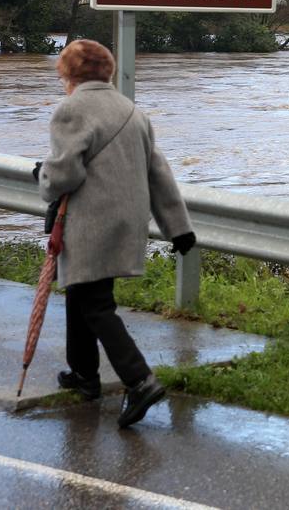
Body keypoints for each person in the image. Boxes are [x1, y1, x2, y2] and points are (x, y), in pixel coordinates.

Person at [35, 38, 196, 428]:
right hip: (127, 221)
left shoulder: (71, 110)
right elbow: (158, 172)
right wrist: (179, 228)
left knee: (94, 305)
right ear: (106, 71)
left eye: (62, 72)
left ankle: (140, 381)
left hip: (92, 223)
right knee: (82, 292)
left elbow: (66, 174)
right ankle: (84, 376)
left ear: (69, 74)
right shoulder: (132, 111)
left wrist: (42, 176)